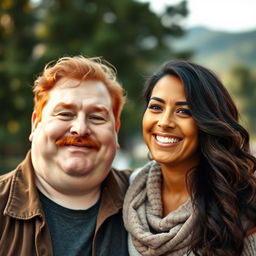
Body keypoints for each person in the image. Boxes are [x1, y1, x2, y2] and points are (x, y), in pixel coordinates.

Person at [0, 56, 131, 256]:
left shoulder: (147, 198)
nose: (80, 129)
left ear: (116, 131)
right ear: (36, 124)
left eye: (96, 117)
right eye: (65, 114)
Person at [123, 60, 256, 256]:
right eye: (156, 107)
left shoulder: (241, 207)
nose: (165, 122)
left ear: (208, 122)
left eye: (184, 111)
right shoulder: (128, 190)